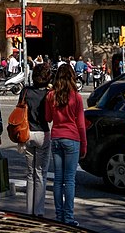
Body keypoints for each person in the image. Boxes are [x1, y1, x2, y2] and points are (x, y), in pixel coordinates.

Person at [47, 63, 86, 226]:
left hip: (56, 137)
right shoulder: (76, 96)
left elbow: (48, 117)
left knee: (58, 180)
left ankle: (59, 216)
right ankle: (68, 218)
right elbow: (81, 124)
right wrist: (84, 144)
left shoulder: (51, 96)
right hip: (72, 138)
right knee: (69, 180)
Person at [21, 62, 53, 218]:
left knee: (30, 174)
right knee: (40, 173)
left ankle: (28, 210)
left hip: (27, 133)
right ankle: (38, 211)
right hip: (42, 133)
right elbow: (50, 116)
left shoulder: (25, 91)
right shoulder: (48, 94)